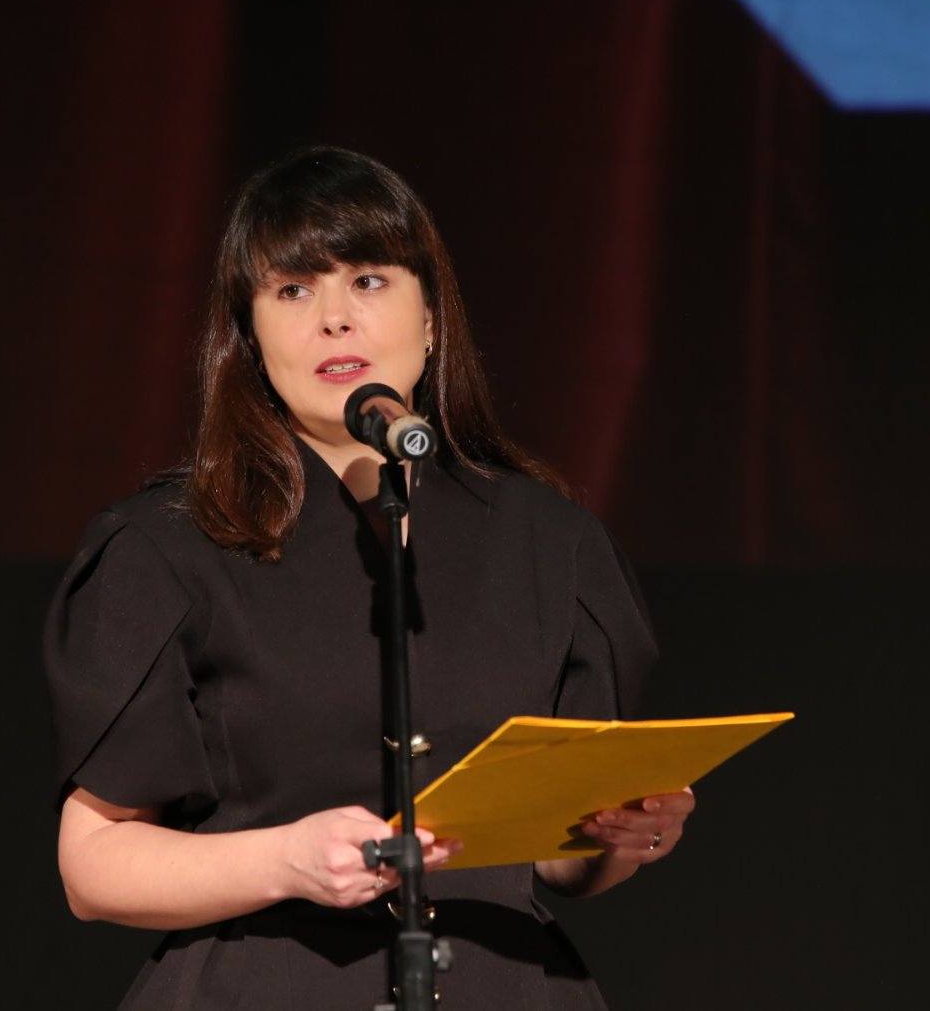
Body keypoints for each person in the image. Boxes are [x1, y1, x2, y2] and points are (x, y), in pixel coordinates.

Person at [43, 146, 696, 1008]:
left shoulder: (548, 538)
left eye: (369, 280)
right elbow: (93, 864)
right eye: (293, 291)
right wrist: (285, 859)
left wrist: (623, 834)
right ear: (250, 337)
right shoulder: (169, 545)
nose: (334, 320)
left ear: (431, 318)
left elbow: (558, 860)